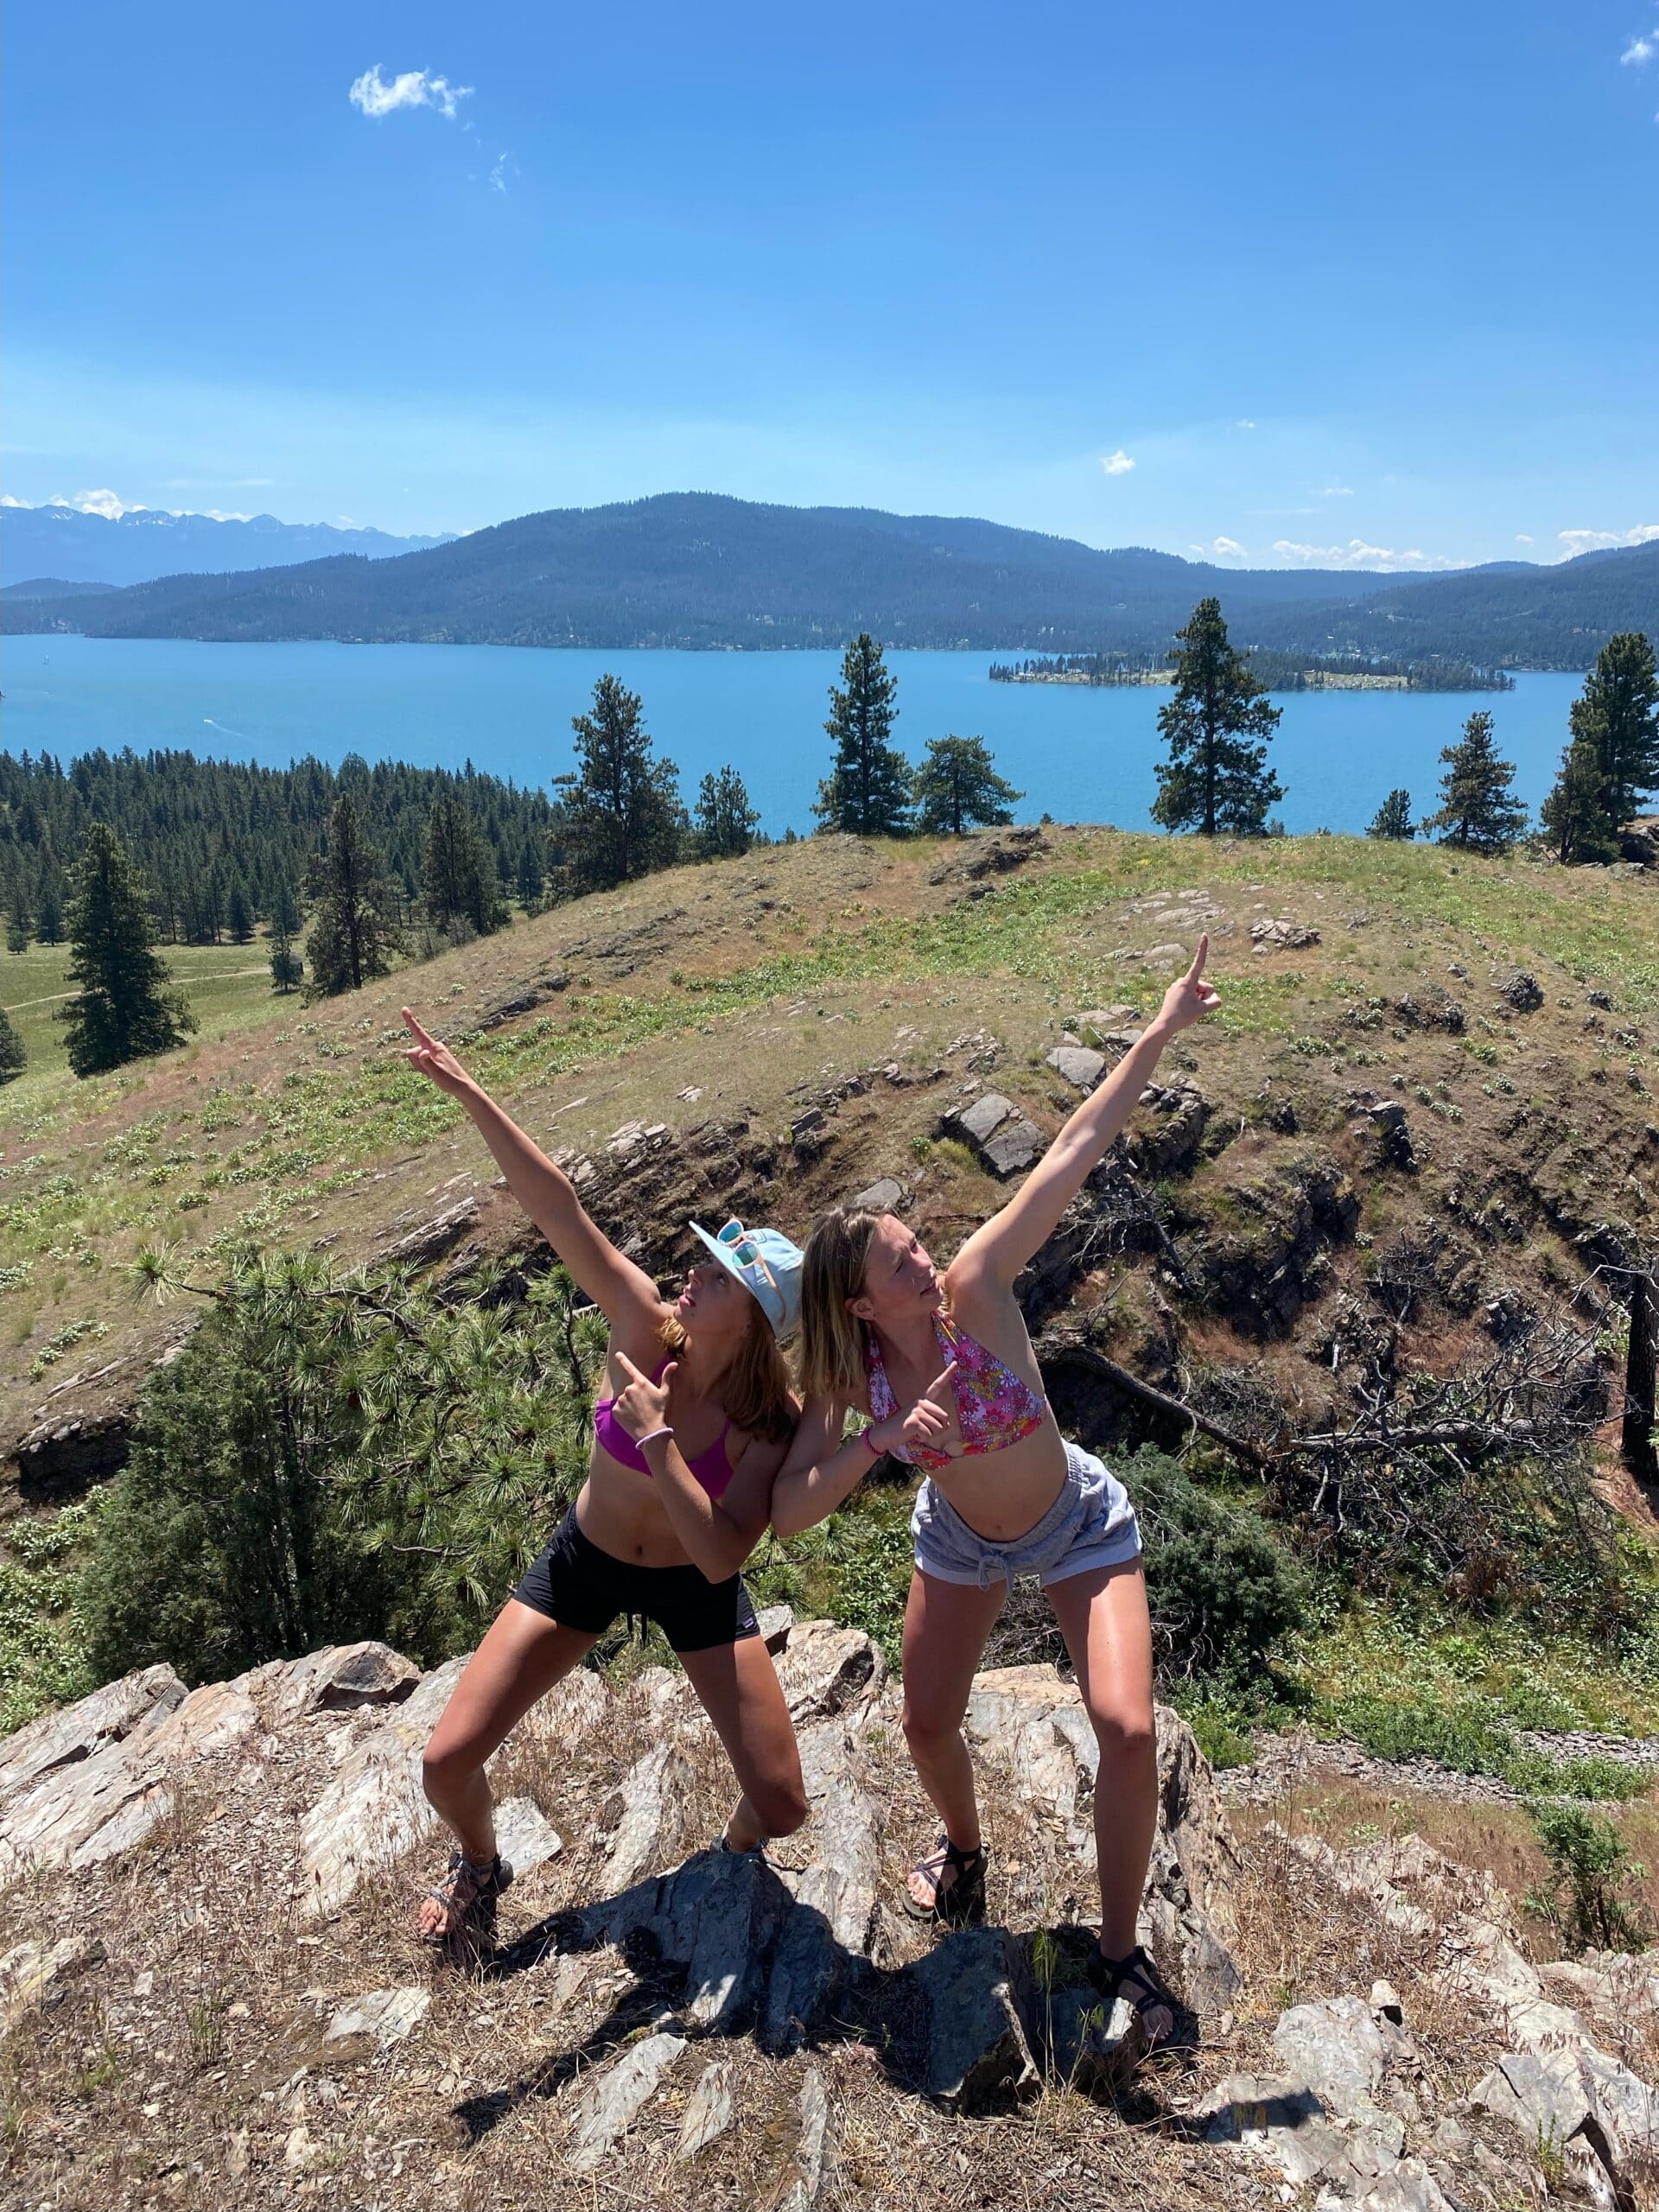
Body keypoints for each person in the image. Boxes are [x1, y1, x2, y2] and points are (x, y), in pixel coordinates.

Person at [772, 939, 1221, 2050]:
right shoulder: (851, 1377)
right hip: (962, 1540)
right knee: (925, 1721)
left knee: (1125, 1727)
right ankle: (965, 1853)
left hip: (1075, 1523)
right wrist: (879, 1438)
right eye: (900, 1265)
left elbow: (1072, 1147)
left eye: (917, 1247)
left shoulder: (976, 1290)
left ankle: (1123, 1957)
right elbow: (791, 1509)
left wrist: (1158, 1032)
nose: (924, 1265)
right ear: (863, 1306)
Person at [398, 1008, 809, 1954]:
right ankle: (480, 1864)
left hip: (689, 1586)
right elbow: (559, 1209)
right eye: (700, 1262)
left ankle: (730, 1851)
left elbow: (716, 1555)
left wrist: (659, 1439)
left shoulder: (765, 1426)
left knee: (782, 1805)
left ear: (751, 1321)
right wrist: (470, 1094)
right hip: (585, 1562)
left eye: (715, 1274)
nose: (689, 1274)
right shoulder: (642, 1323)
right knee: (445, 1760)